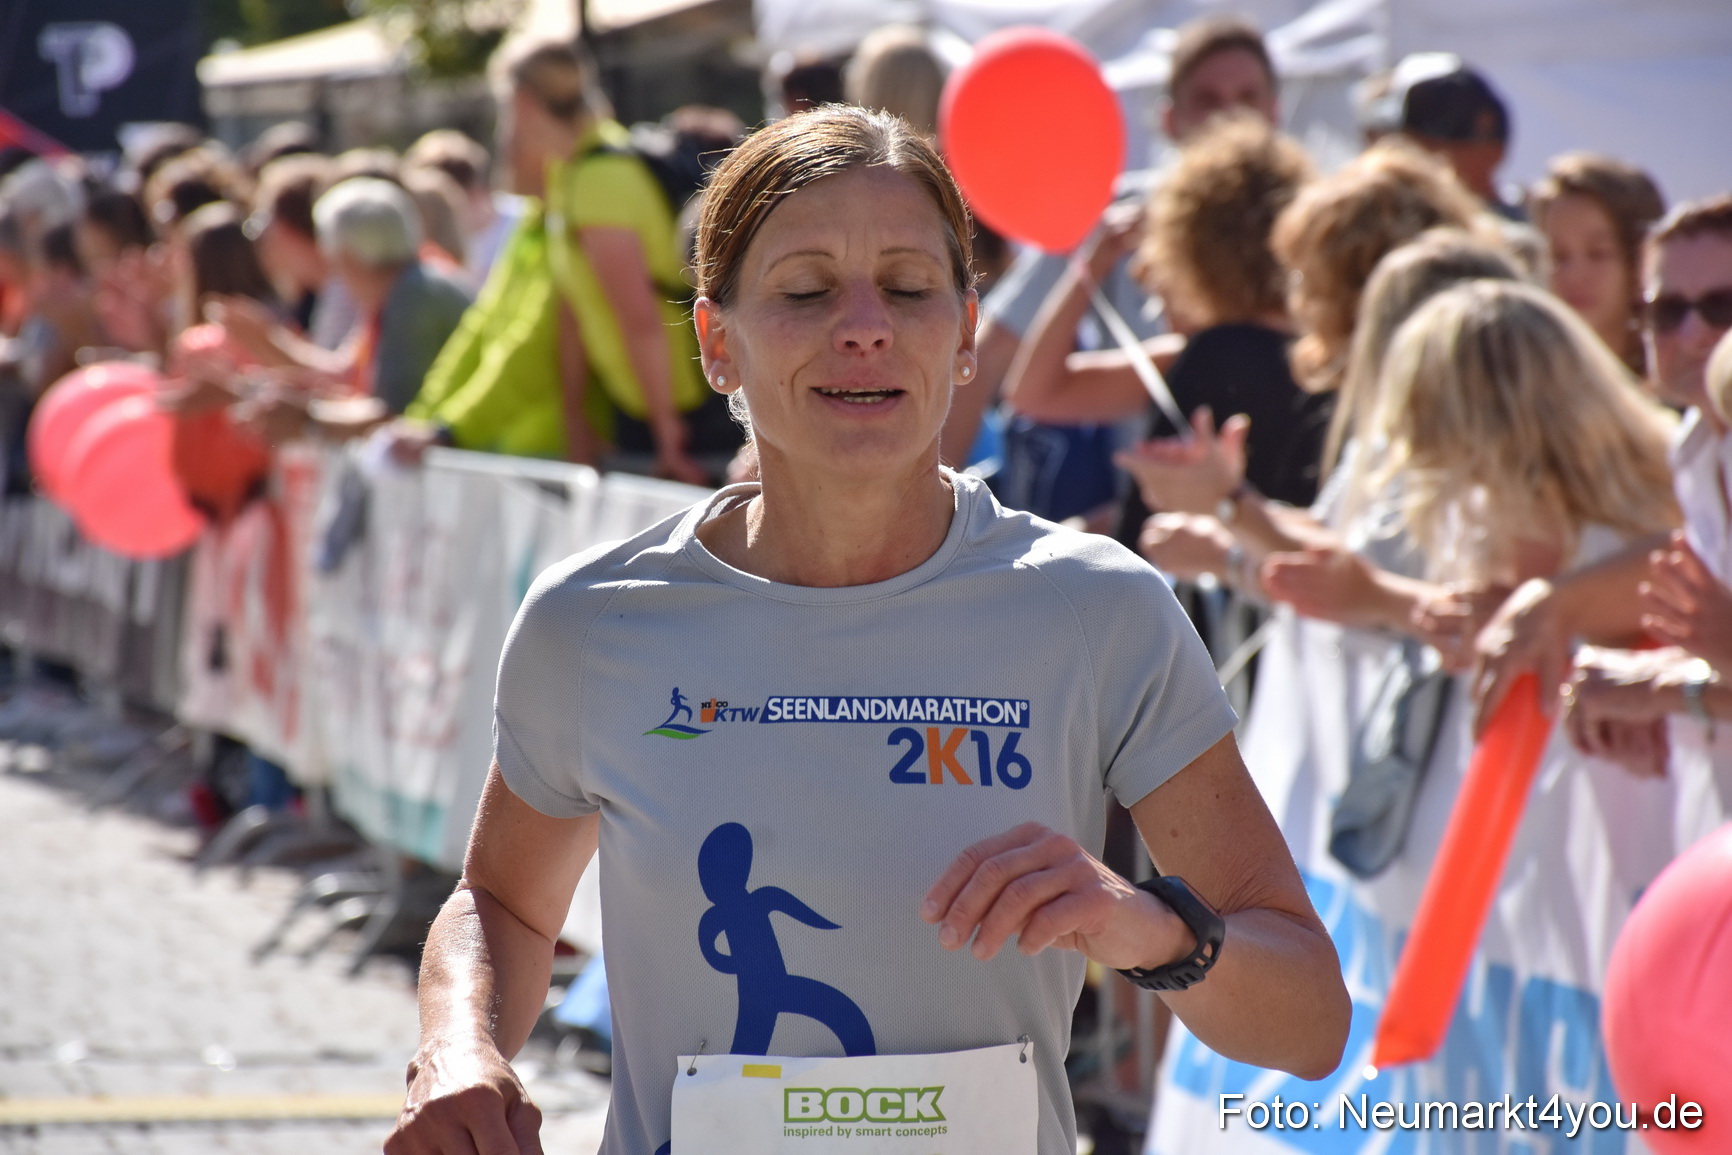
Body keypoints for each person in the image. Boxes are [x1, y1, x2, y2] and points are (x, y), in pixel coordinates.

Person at [385, 105, 1349, 1155]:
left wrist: (1141, 923)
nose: (865, 326)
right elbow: (505, 907)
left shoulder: (1095, 607)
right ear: (718, 343)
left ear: (967, 329)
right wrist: (459, 1045)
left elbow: (1306, 1021)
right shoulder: (596, 620)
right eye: (804, 292)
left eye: (907, 287)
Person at [942, 14, 1282, 464]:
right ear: (1170, 119)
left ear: (1275, 108)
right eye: (1207, 100)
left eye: (1247, 97)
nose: (1230, 118)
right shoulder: (1118, 220)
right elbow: (995, 361)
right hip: (1153, 507)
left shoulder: (1310, 224)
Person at [402, 40, 735, 479]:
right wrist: (579, 418)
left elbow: (638, 318)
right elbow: (574, 313)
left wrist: (666, 432)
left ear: (520, 102)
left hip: (682, 412)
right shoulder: (573, 172)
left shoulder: (597, 179)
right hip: (648, 408)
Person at [1473, 193, 1732, 735]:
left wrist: (1672, 691)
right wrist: (1642, 678)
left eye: (1721, 307)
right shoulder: (1694, 448)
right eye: (1667, 311)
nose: (1693, 334)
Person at [1003, 114, 1325, 527]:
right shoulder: (1325, 355)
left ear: (1194, 249)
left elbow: (1031, 393)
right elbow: (1031, 394)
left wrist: (1093, 264)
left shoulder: (1203, 357)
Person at [1530, 152, 1665, 371]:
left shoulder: (1677, 384)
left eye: (1598, 253)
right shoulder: (1528, 381)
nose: (1574, 275)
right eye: (1558, 256)